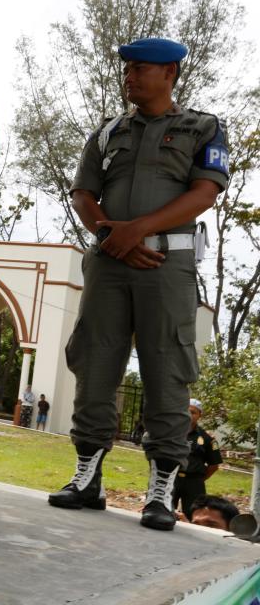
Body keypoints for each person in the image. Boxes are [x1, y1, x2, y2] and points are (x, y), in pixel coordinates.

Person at [47, 38, 229, 532]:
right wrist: (111, 232)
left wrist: (138, 228)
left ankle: (161, 490)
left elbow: (205, 192)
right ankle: (87, 477)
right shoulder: (108, 133)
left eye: (140, 68)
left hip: (166, 264)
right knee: (94, 359)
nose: (129, 75)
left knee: (167, 367)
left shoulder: (202, 127)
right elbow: (84, 192)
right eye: (126, 68)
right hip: (108, 258)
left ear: (169, 72)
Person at [174, 399, 223, 520]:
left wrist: (198, 479)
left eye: (193, 412)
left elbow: (214, 466)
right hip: (171, 478)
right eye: (186, 411)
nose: (189, 415)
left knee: (194, 516)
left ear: (200, 415)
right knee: (164, 510)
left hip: (194, 483)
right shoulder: (171, 432)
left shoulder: (207, 438)